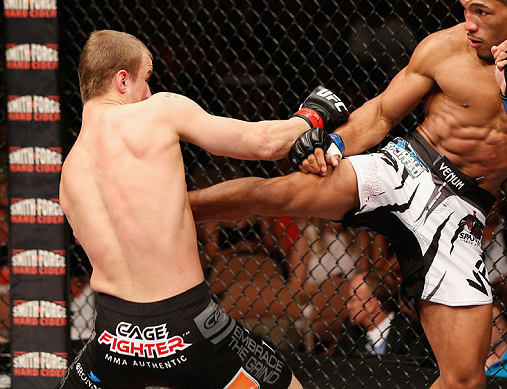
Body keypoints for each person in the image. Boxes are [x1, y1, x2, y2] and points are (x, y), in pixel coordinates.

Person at [189, 0, 507, 389]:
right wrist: (336, 145)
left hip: (461, 205)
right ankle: (164, 209)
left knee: (464, 379)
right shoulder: (443, 48)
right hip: (406, 162)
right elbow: (382, 114)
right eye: (465, 9)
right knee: (276, 194)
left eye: (482, 11)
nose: (469, 24)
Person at [57, 29, 348, 389]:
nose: (149, 90)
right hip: (187, 328)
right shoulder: (157, 111)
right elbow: (265, 143)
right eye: (146, 78)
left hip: (114, 339)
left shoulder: (68, 175)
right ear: (122, 80)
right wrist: (312, 115)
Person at [334, 271, 433, 362]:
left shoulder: (410, 334)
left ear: (370, 304)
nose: (348, 306)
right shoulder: (350, 331)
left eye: (353, 300)